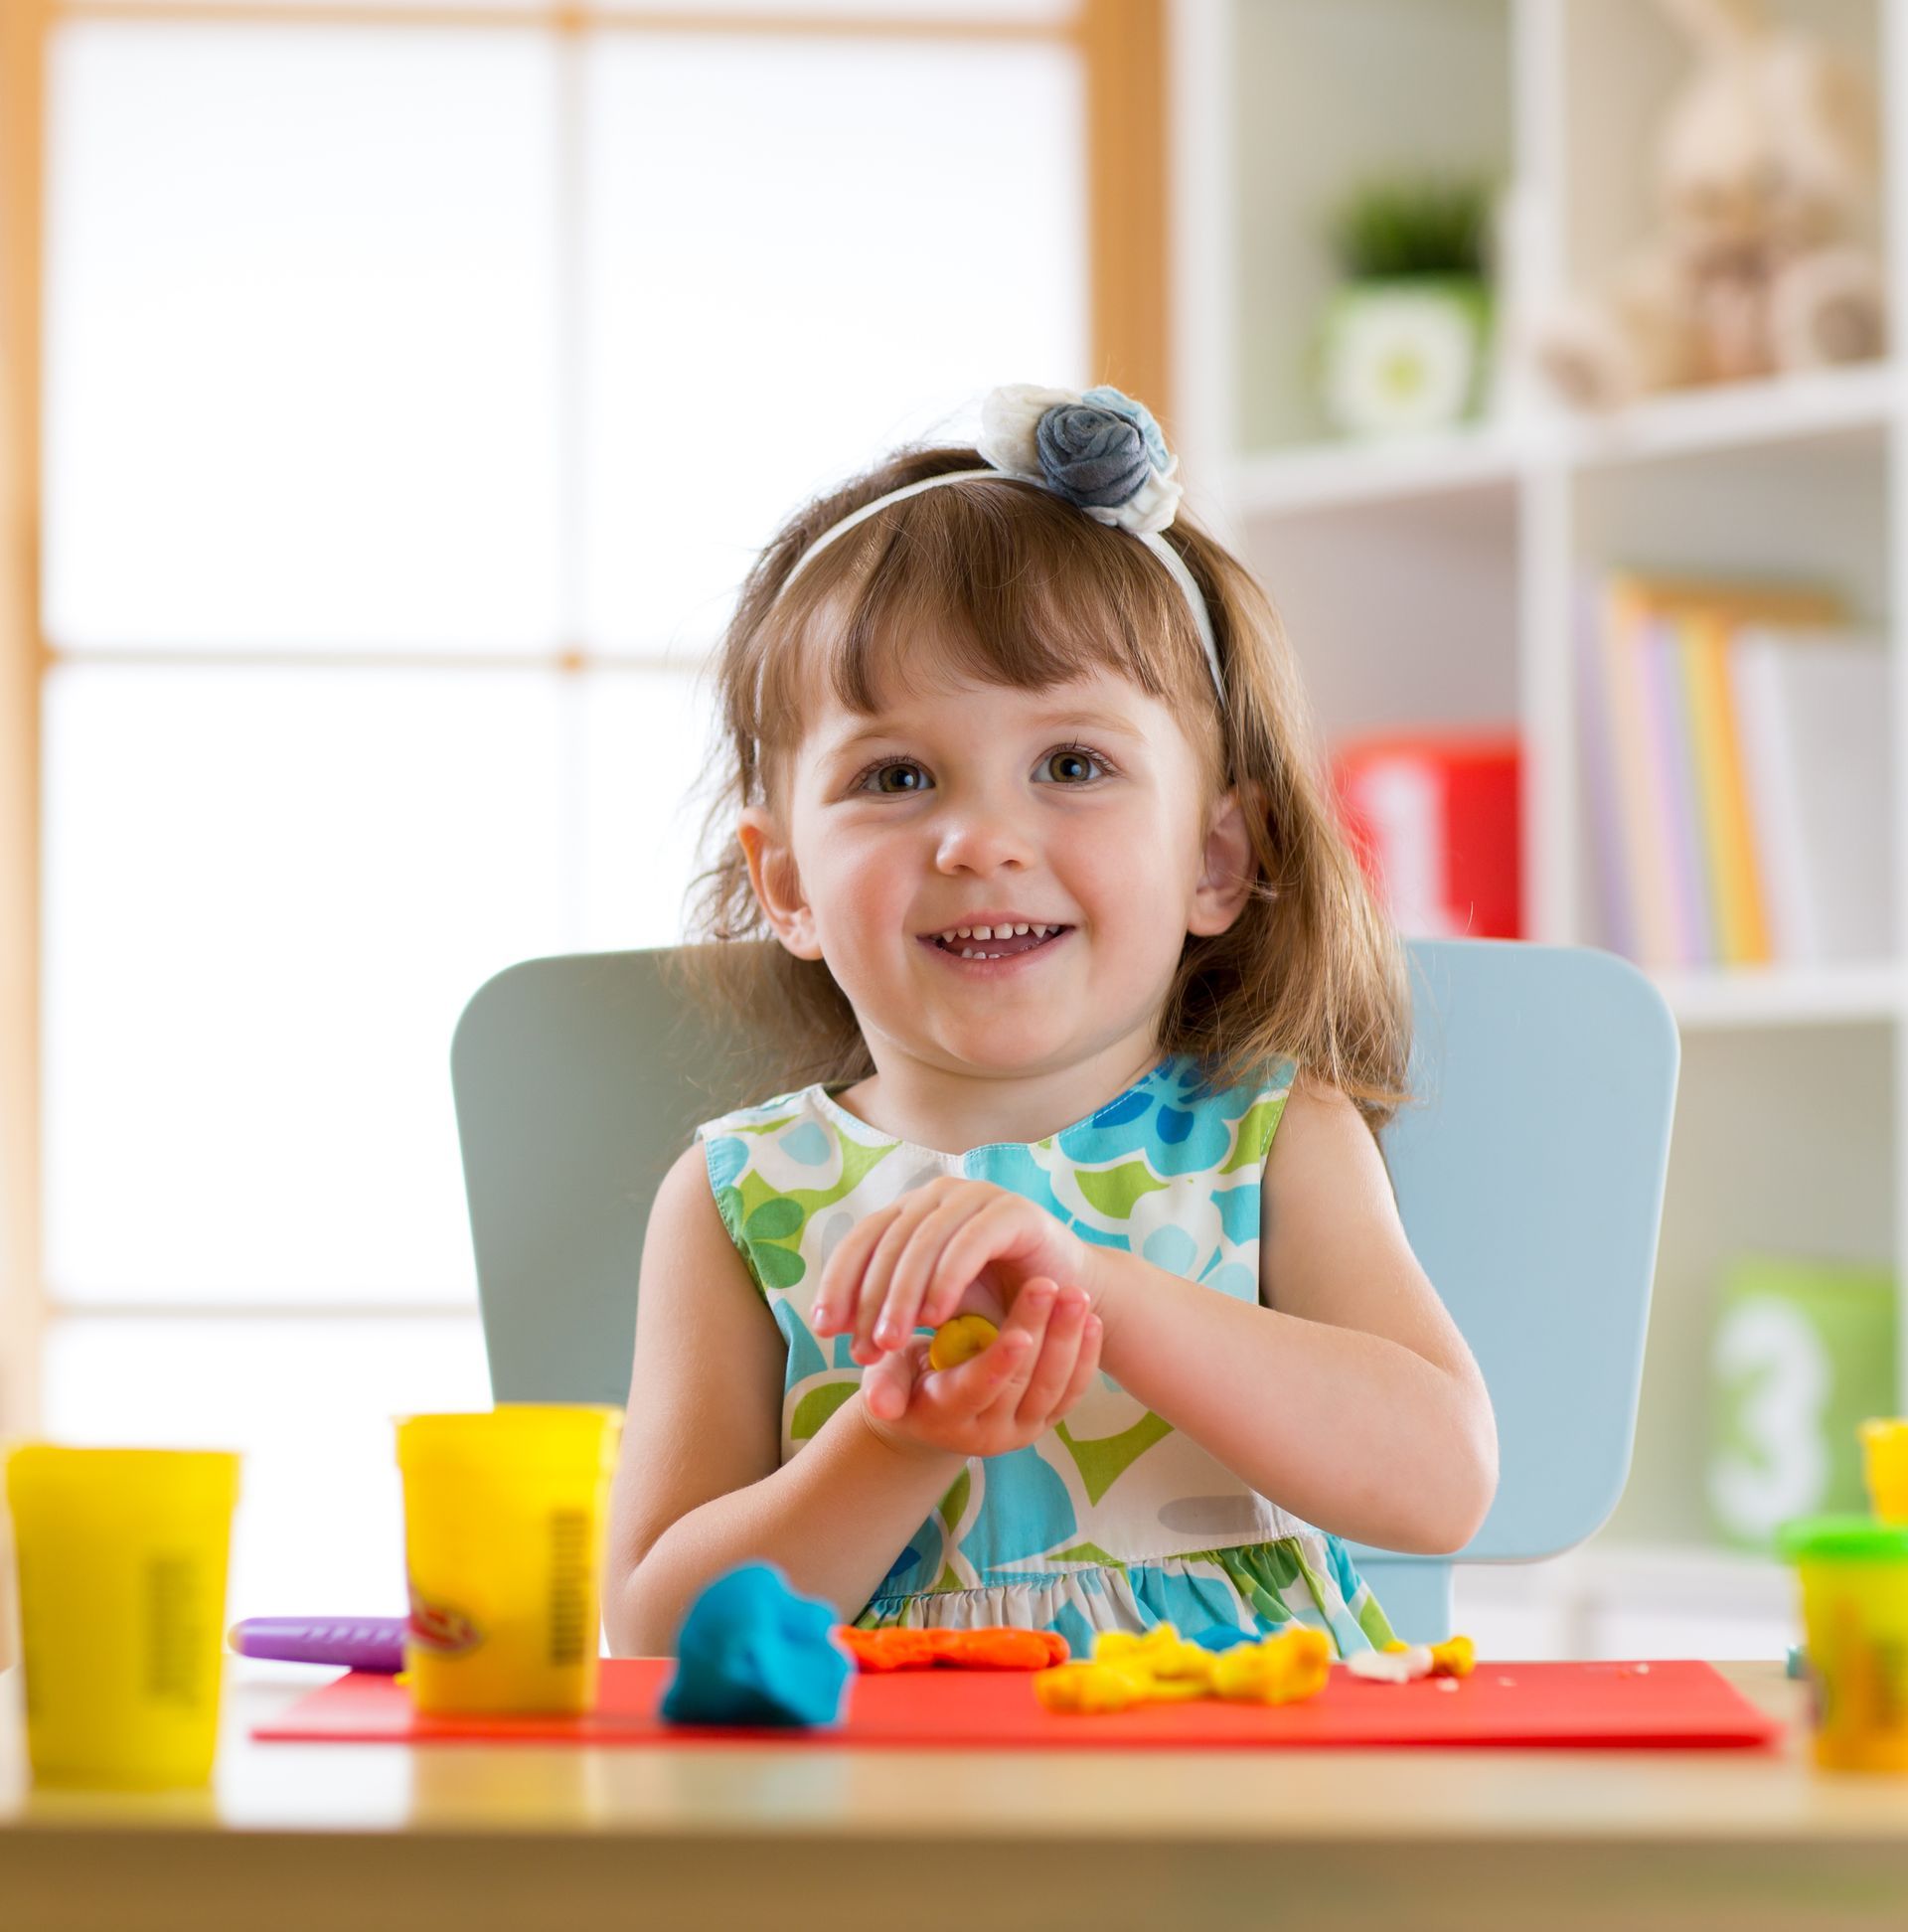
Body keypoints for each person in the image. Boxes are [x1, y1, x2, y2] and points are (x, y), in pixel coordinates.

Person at [604, 382, 1498, 1660]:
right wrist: (894, 1440)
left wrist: (1096, 1291)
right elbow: (652, 1632)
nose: (980, 841)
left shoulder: (1265, 1136)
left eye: (1073, 767)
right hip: (887, 1823)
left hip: (1247, 1791)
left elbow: (1439, 1479)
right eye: (895, 777)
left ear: (1215, 859)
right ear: (787, 884)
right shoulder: (743, 1194)